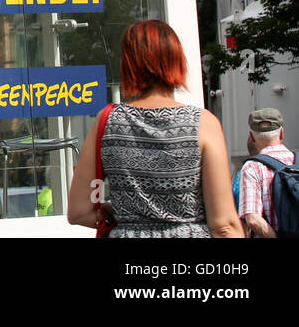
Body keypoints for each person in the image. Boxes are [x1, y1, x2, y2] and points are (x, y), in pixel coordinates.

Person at [66, 19, 243, 238]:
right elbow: (223, 225)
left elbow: (79, 212)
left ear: (128, 65)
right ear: (177, 61)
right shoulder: (203, 123)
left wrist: (120, 212)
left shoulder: (108, 120)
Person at [237, 107, 293, 238]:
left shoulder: (252, 167)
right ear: (282, 134)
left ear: (252, 137)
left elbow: (253, 219)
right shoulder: (297, 161)